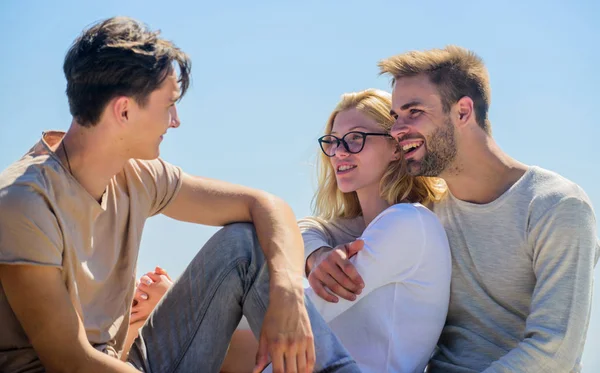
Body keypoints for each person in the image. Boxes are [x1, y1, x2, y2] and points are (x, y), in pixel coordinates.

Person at [0, 16, 360, 373]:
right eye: (168, 105)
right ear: (124, 110)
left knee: (245, 243)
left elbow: (265, 205)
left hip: (125, 365)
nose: (175, 120)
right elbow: (70, 362)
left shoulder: (137, 175)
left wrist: (288, 292)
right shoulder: (25, 202)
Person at [305, 46, 600, 372]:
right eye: (394, 117)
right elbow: (315, 227)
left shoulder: (555, 206)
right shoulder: (426, 213)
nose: (397, 129)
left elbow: (555, 351)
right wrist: (315, 255)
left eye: (413, 112)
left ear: (462, 112)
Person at [192, 88, 452, 372]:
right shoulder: (361, 229)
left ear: (394, 146)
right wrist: (315, 253)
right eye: (333, 141)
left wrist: (199, 314)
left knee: (241, 246)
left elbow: (297, 316)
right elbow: (303, 229)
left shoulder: (409, 222)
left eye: (355, 138)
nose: (339, 152)